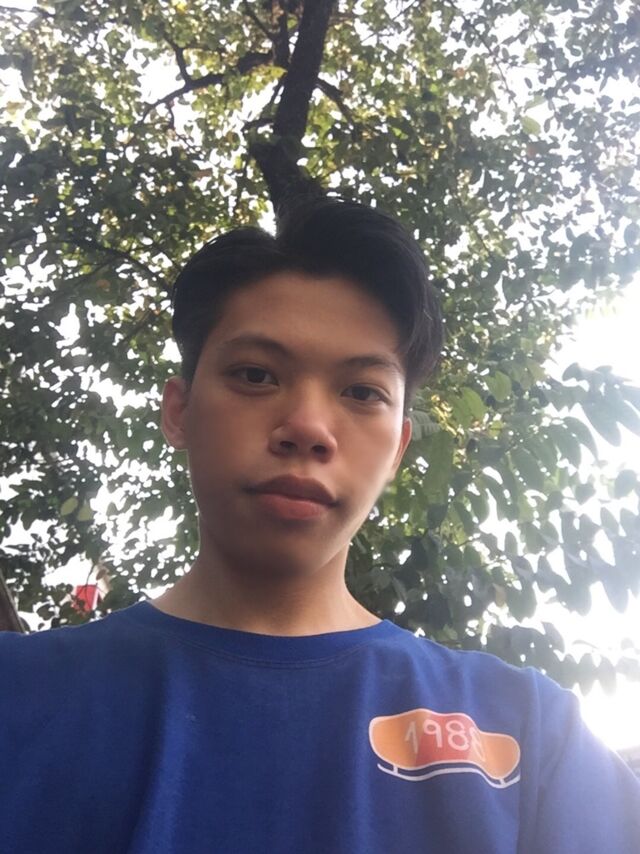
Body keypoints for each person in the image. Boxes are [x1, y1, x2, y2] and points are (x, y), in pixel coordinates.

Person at [1, 196, 639, 854]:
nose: (307, 427)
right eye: (256, 375)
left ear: (398, 448)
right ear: (178, 411)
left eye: (362, 392)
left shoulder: (532, 735)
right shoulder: (17, 695)